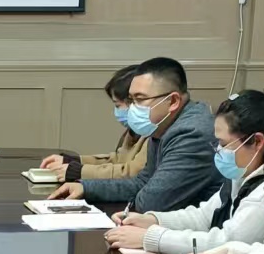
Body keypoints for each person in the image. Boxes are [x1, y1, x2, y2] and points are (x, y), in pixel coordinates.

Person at [106, 91, 264, 254]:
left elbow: (228, 242)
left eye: (224, 143)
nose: (218, 150)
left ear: (257, 142)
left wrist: (149, 238)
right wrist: (152, 220)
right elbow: (203, 217)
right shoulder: (242, 174)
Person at [49, 58, 219, 213]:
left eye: (139, 99)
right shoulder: (162, 125)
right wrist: (86, 188)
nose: (132, 108)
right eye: (131, 100)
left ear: (173, 101)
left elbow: (152, 202)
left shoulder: (192, 134)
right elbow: (142, 182)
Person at [39, 64, 148, 182]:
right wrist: (73, 161)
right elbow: (117, 160)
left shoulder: (153, 133)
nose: (116, 111)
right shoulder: (134, 130)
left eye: (117, 105)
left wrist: (79, 171)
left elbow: (131, 172)